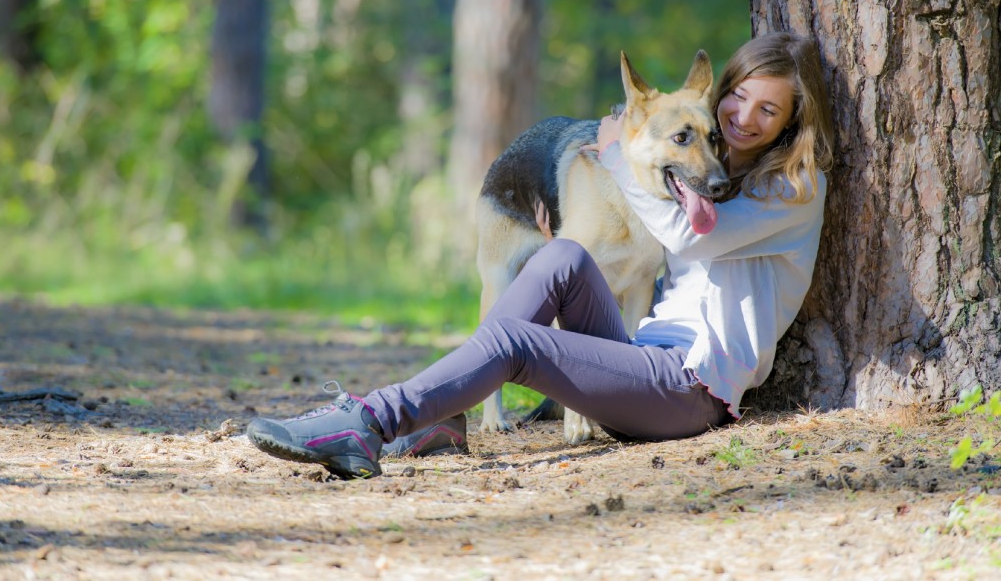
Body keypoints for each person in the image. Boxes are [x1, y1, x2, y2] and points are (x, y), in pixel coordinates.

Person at [246, 31, 835, 479]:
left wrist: (615, 154)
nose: (743, 118)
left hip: (688, 390)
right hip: (641, 359)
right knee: (562, 259)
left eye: (768, 110)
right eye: (738, 98)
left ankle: (373, 420)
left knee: (514, 344)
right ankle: (444, 420)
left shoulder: (793, 190)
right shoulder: (717, 171)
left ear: (791, 121)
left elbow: (687, 238)